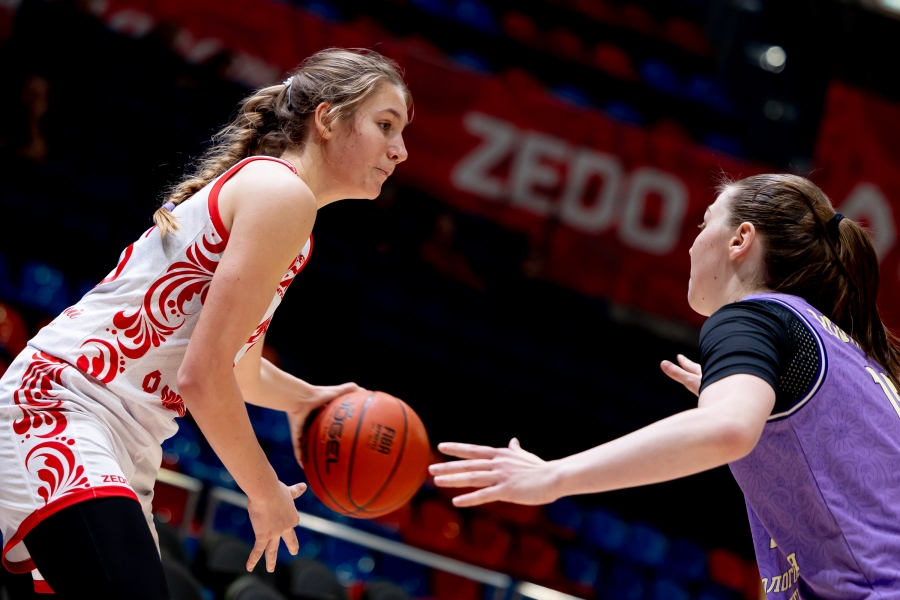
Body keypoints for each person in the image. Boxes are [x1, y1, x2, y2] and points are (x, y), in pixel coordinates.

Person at [0, 47, 410, 598]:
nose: (400, 150)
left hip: (113, 431)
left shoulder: (284, 207)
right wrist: (265, 492)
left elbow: (238, 369)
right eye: (385, 125)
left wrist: (307, 401)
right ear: (328, 119)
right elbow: (203, 376)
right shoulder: (281, 194)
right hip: (66, 409)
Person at [431, 174, 900, 599]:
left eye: (704, 223)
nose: (692, 245)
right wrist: (753, 398)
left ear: (740, 239)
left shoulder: (753, 315)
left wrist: (553, 477)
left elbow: (727, 430)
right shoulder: (852, 356)